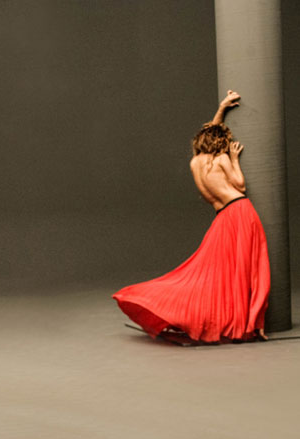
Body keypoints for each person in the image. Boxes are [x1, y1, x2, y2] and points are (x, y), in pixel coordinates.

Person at [113, 90, 270, 343]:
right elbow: (240, 185)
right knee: (249, 269)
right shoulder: (222, 158)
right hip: (240, 211)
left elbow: (210, 132)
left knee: (215, 271)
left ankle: (243, 319)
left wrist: (222, 108)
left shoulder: (195, 162)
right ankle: (253, 322)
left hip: (223, 218)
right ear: (221, 143)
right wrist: (234, 158)